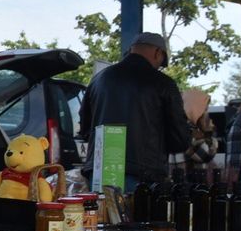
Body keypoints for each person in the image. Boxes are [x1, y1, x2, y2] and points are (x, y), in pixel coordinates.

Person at [79, 31, 190, 191]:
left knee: (100, 215)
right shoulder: (163, 83)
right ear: (158, 53)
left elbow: (85, 128)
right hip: (141, 176)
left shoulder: (98, 80)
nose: (159, 66)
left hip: (99, 171)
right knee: (136, 216)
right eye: (161, 62)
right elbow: (179, 139)